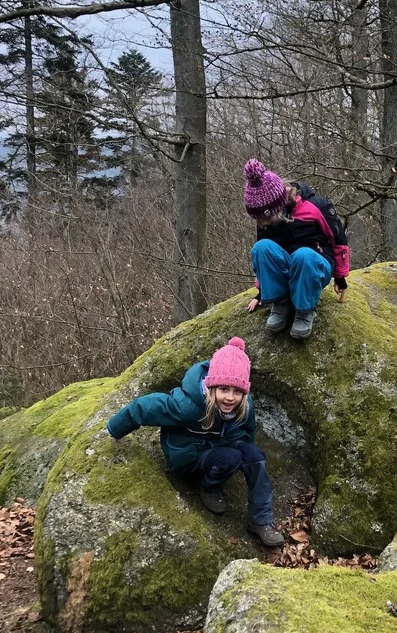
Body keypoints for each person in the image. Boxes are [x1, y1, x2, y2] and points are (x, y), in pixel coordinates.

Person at [105, 337, 284, 547]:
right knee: (230, 457)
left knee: (255, 458)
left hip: (221, 447)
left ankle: (261, 520)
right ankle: (208, 487)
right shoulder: (187, 405)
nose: (230, 397)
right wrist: (115, 428)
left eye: (237, 392)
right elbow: (145, 407)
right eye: (224, 389)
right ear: (212, 387)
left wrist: (248, 455)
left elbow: (248, 431)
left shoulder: (245, 407)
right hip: (189, 457)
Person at [242, 159, 350, 339]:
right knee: (260, 248)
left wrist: (340, 277)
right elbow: (265, 258)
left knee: (303, 256)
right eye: (261, 221)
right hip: (288, 267)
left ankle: (304, 310)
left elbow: (338, 241)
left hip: (315, 263)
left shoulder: (317, 207)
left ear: (280, 202)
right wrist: (261, 294)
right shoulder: (265, 218)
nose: (265, 224)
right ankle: (281, 302)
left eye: (269, 218)